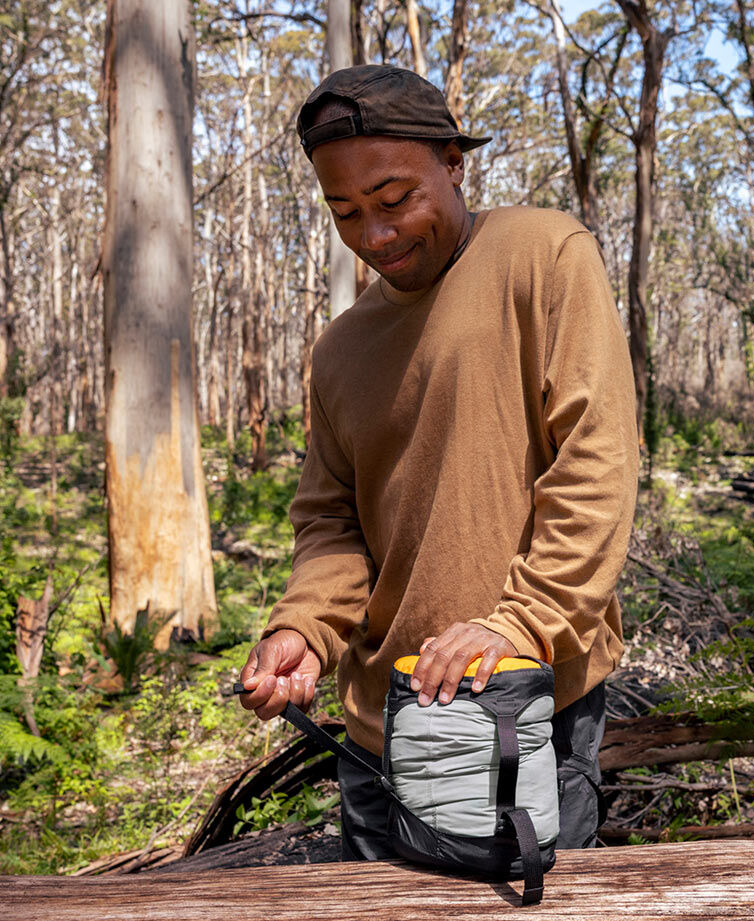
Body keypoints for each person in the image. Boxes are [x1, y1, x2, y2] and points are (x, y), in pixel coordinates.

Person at [238, 63, 639, 859]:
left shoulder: (541, 252)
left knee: (534, 908)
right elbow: (331, 521)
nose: (374, 235)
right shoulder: (340, 349)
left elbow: (594, 460)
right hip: (381, 725)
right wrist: (305, 628)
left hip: (523, 707)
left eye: (394, 200)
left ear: (453, 163)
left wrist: (518, 622)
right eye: (345, 212)